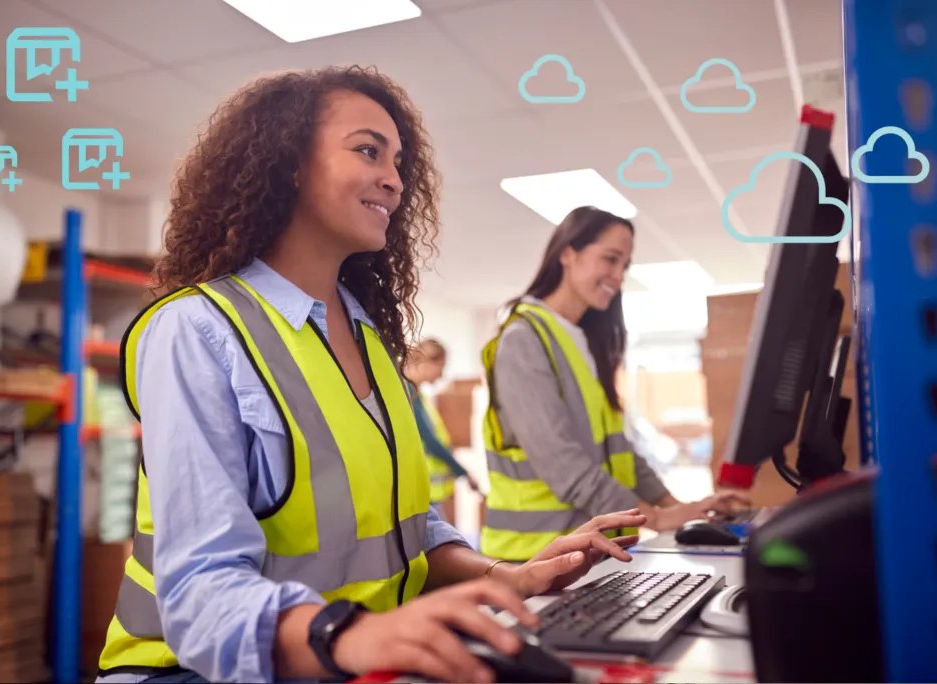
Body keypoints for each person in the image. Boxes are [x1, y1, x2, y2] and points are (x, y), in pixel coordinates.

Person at [95, 67, 648, 684]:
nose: (394, 179)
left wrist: (505, 576)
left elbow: (402, 526)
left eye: (399, 161)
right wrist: (352, 636)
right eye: (367, 150)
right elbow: (201, 596)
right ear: (290, 165)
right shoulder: (197, 330)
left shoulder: (369, 341)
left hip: (341, 664)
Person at [480, 206, 749, 562]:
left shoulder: (581, 341)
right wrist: (656, 518)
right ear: (568, 254)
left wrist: (682, 509)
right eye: (610, 259)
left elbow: (618, 450)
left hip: (590, 551)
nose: (619, 276)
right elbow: (563, 464)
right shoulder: (523, 339)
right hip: (535, 557)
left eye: (625, 266)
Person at [402, 338, 481, 526]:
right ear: (427, 362)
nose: (442, 374)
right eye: (441, 366)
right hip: (423, 489)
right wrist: (463, 471)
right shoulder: (409, 392)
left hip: (427, 490)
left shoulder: (417, 394)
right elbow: (430, 440)